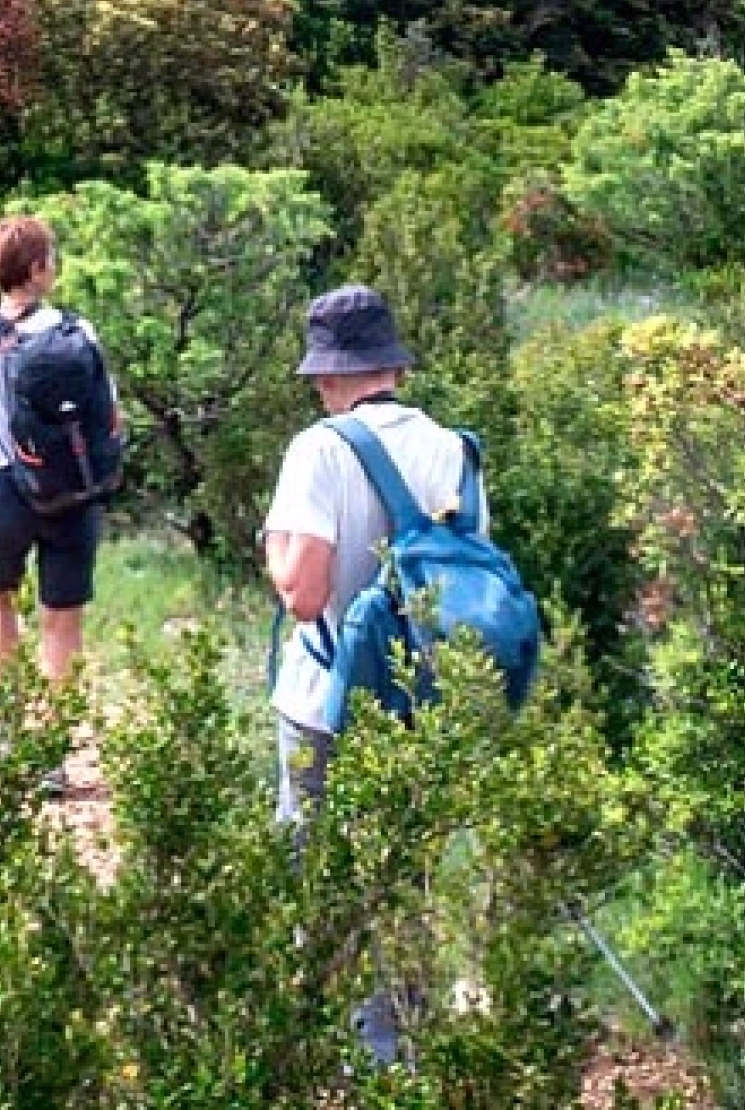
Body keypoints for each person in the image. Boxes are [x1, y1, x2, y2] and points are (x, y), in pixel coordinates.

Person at [261, 282, 492, 1065]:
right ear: (393, 365)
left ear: (329, 374)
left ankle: (321, 1044)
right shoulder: (456, 450)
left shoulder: (320, 449)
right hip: (422, 698)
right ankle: (400, 1045)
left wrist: (274, 550)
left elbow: (304, 595)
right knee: (406, 873)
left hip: (325, 699)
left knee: (314, 868)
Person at [0, 212, 120, 700]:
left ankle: (8, 723)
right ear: (36, 269)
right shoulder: (80, 332)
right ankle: (58, 730)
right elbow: (110, 417)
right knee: (63, 616)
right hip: (72, 491)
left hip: (1, 488)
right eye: (51, 258)